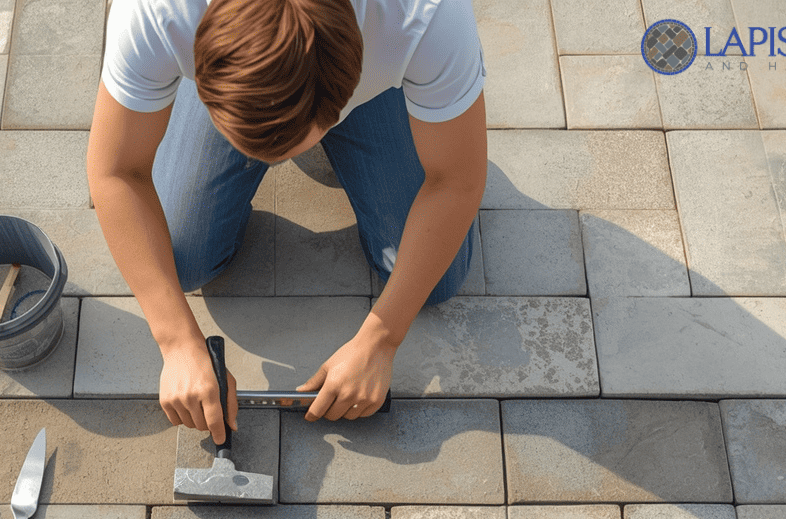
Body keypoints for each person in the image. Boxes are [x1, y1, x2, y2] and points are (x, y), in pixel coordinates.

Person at [87, 0, 487, 446]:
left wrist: (382, 339)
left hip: (382, 77)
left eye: (291, 143)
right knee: (180, 258)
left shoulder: (426, 16)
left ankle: (414, 104)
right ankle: (203, 91)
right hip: (235, 60)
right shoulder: (156, 12)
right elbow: (116, 171)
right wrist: (176, 341)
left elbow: (456, 180)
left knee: (437, 280)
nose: (278, 160)